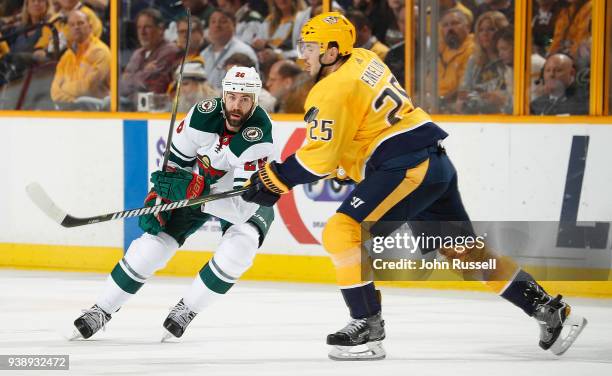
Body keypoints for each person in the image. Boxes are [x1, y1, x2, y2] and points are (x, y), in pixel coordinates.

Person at [241, 11, 587, 361]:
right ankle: (547, 309)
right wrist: (351, 165)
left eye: (311, 47)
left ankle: (367, 327)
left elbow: (318, 159)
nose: (303, 55)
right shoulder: (364, 59)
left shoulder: (328, 90)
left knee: (341, 232)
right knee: (463, 253)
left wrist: (276, 178)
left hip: (408, 167)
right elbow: (363, 125)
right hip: (433, 163)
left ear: (332, 52)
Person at [72, 66, 276, 340]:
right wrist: (162, 193)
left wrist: (192, 195)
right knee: (152, 244)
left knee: (241, 246)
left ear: (255, 100)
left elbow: (239, 210)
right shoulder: (202, 115)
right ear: (223, 95)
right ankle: (101, 309)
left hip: (247, 197)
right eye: (232, 97)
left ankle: (188, 308)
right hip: (201, 186)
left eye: (245, 99)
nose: (236, 106)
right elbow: (175, 163)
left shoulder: (259, 135)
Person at [119, 8, 181, 110]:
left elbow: (154, 85)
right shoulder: (138, 54)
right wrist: (145, 72)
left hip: (155, 108)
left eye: (147, 27)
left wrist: (132, 77)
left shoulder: (170, 51)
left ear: (160, 29)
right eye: (139, 28)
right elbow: (122, 85)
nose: (142, 32)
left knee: (110, 102)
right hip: (132, 103)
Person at [50, 9, 110, 108]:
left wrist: (64, 87)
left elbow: (87, 88)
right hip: (72, 109)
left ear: (90, 27)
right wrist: (73, 101)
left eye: (80, 23)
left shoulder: (100, 51)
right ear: (68, 29)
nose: (76, 27)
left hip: (98, 111)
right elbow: (54, 91)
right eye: (72, 25)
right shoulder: (67, 56)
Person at [455, 11, 509, 114]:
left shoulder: (509, 59)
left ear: (502, 32)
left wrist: (501, 97)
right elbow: (463, 93)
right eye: (481, 30)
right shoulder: (474, 61)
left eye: (491, 29)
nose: (485, 33)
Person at [201, 9, 258, 91]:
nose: (217, 25)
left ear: (234, 26)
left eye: (223, 21)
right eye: (213, 22)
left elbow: (247, 87)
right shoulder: (204, 54)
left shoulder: (243, 51)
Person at [437, 8, 475, 112]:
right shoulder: (439, 50)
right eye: (445, 25)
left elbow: (464, 87)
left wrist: (441, 101)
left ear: (467, 27)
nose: (450, 29)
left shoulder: (473, 49)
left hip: (455, 108)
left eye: (455, 23)